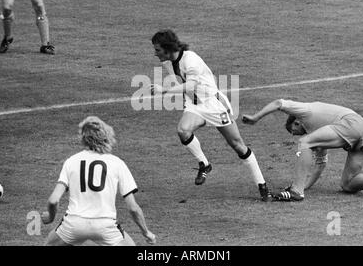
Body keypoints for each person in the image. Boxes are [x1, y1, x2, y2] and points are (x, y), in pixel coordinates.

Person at [149, 29, 272, 201]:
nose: (155, 54)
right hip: (195, 105)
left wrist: (165, 90)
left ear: (168, 48)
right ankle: (204, 164)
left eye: (157, 50)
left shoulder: (190, 60)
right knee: (183, 130)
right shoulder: (169, 61)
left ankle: (262, 185)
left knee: (238, 145)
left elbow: (191, 85)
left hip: (214, 105)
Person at [242, 99, 363, 201]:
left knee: (304, 143)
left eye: (293, 131)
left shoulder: (304, 111)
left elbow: (279, 103)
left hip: (351, 123)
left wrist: (256, 118)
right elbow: (320, 165)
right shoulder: (320, 136)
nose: (296, 135)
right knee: (348, 184)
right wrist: (305, 185)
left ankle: (296, 192)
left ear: (296, 122)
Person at [41, 116, 156, 246]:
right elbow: (133, 208)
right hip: (105, 225)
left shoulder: (71, 161)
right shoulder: (117, 163)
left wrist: (50, 217)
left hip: (74, 224)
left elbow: (53, 200)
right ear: (107, 136)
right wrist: (146, 232)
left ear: (83, 138)